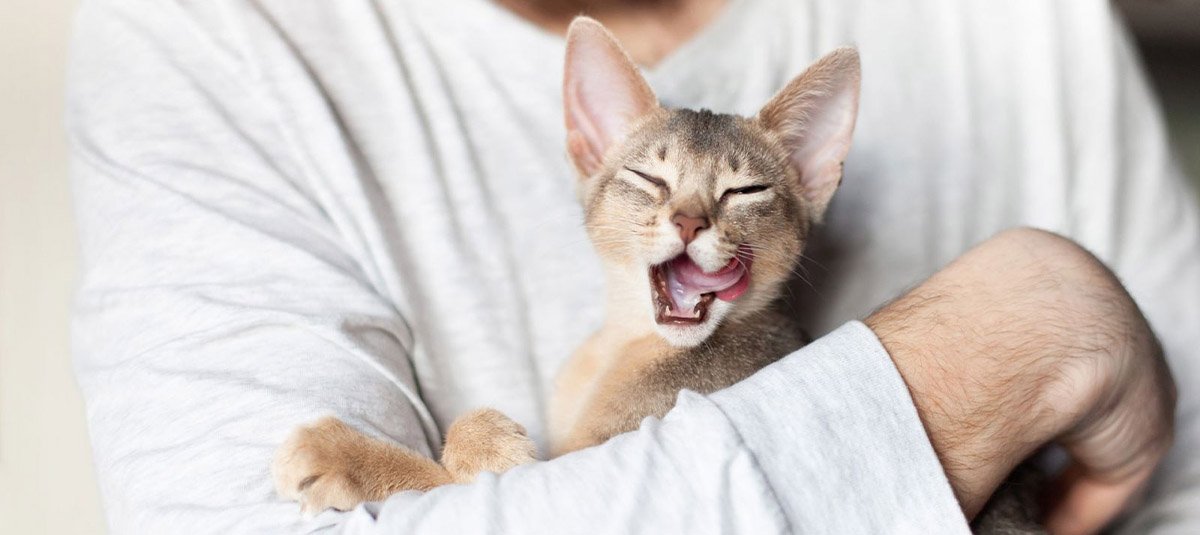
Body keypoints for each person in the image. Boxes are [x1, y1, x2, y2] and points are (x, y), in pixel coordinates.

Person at [66, 0, 1195, 533]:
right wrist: (1030, 323)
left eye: (745, 193)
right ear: (589, 152)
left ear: (811, 176)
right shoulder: (202, 40)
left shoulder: (1022, 25)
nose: (698, 221)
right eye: (650, 186)